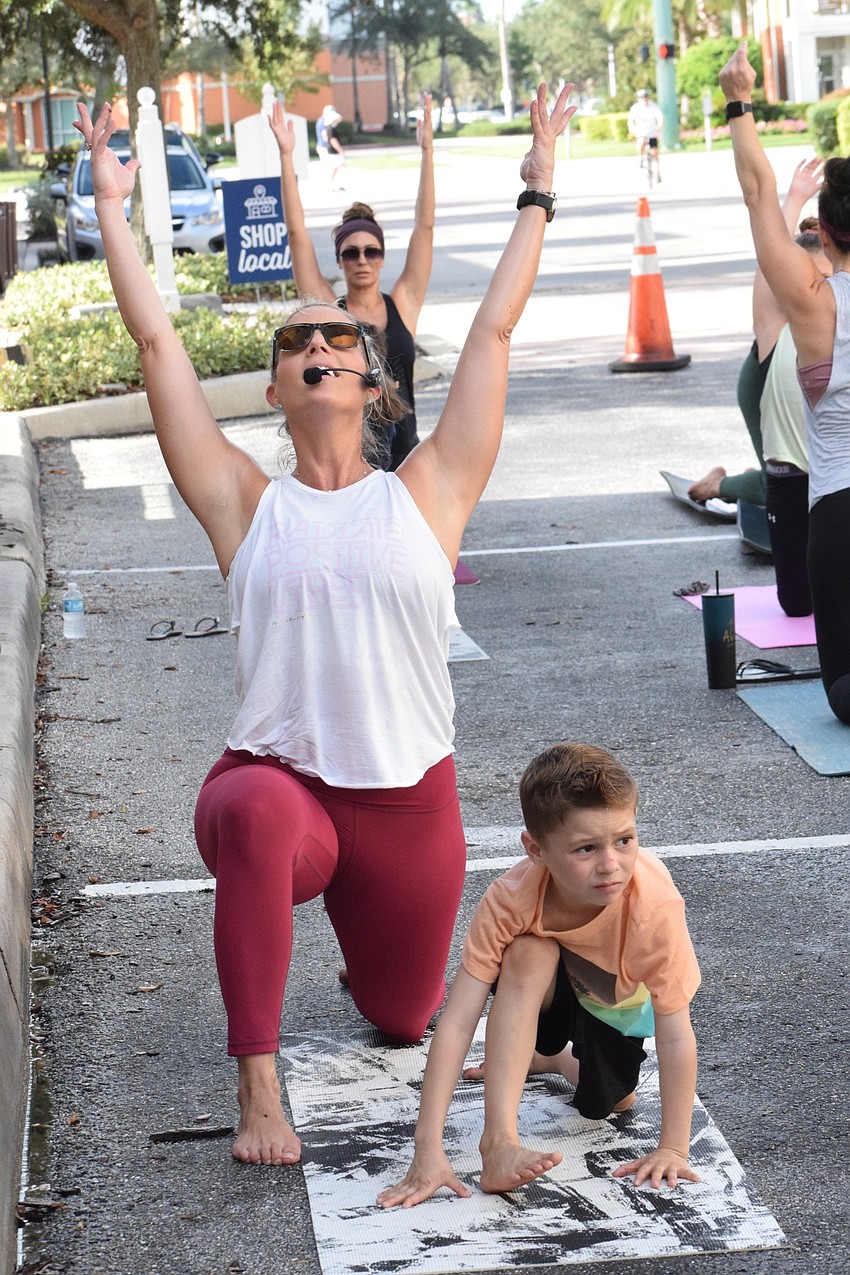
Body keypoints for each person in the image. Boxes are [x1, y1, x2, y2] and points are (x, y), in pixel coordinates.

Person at [74, 80, 575, 1167]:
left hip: (406, 803)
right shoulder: (243, 503)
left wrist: (537, 191)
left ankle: (378, 965)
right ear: (276, 387)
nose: (314, 340)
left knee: (402, 1014)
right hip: (282, 785)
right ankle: (258, 1085)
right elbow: (157, 345)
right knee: (254, 814)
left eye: (335, 335)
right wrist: (111, 204)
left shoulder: (428, 491)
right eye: (294, 338)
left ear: (368, 376)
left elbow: (493, 331)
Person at [377, 742, 701, 1208]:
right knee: (530, 950)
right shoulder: (510, 899)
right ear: (536, 849)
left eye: (624, 840)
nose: (610, 864)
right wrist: (427, 1149)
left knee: (612, 1102)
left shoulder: (654, 910)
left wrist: (673, 1147)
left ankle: (549, 1060)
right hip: (547, 987)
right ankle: (499, 1142)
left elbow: (675, 1034)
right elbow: (457, 1023)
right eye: (586, 848)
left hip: (613, 1003)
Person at [720, 43, 850, 721]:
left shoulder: (816, 305)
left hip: (838, 513)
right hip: (830, 510)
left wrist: (739, 101)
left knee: (843, 695)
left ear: (823, 232)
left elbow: (757, 196)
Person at [690, 159, 829, 617]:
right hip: (786, 462)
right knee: (797, 605)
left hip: (833, 477)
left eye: (825, 280)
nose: (813, 290)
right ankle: (720, 485)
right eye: (806, 280)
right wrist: (794, 199)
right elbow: (771, 252)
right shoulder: (776, 328)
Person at [270, 95, 435, 470]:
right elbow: (297, 236)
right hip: (349, 465)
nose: (362, 260)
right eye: (351, 253)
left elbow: (424, 228)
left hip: (405, 461)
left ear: (382, 257)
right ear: (340, 261)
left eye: (372, 251)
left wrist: (427, 151)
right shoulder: (331, 314)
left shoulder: (403, 304)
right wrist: (286, 155)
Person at [627, 88, 663, 183]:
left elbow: (659, 117)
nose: (644, 99)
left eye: (645, 97)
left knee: (655, 153)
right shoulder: (635, 108)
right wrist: (632, 129)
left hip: (652, 133)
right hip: (641, 132)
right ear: (638, 98)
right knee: (641, 142)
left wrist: (659, 126)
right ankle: (640, 158)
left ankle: (657, 173)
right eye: (641, 97)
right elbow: (631, 120)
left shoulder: (653, 107)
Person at [315, 103, 346, 192]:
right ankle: (329, 184)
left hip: (323, 146)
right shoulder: (324, 122)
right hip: (324, 147)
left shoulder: (321, 120)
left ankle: (333, 184)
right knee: (331, 167)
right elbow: (326, 136)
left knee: (332, 166)